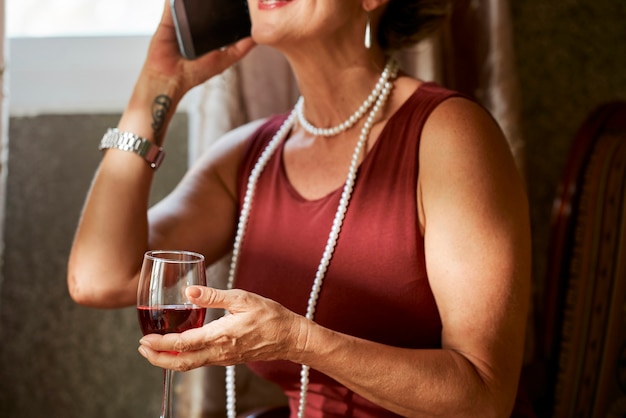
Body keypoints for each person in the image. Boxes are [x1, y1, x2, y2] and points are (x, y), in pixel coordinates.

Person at [68, 0, 534, 416]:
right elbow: (99, 278)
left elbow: (484, 397)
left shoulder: (450, 136)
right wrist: (156, 84)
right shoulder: (250, 158)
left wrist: (300, 341)